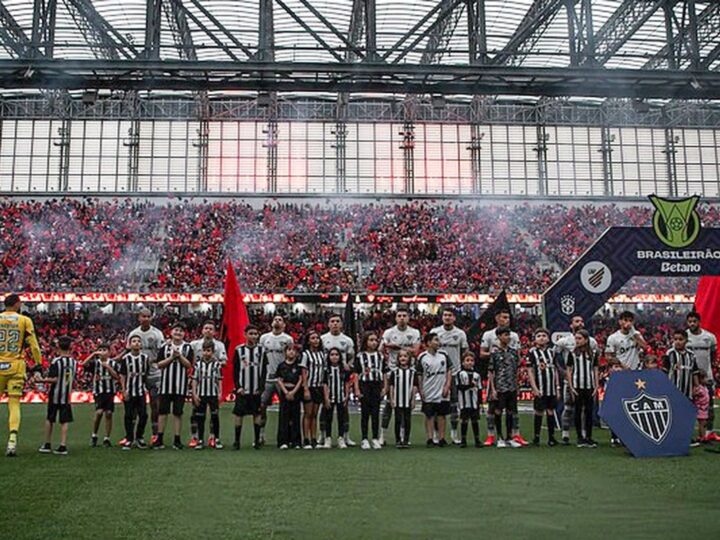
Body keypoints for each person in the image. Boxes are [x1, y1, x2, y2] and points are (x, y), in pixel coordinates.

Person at [0, 293, 42, 457]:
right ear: (17, 304)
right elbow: (34, 346)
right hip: (16, 367)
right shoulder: (24, 320)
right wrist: (38, 364)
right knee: (14, 403)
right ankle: (12, 440)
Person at [479, 309, 527, 447]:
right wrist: (494, 353)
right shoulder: (488, 334)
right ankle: (492, 436)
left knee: (512, 410)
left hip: (510, 381)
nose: (507, 320)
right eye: (504, 317)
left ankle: (514, 435)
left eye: (508, 317)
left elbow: (517, 358)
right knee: (494, 409)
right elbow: (482, 354)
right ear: (497, 318)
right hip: (497, 381)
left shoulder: (515, 336)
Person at [552, 314, 598, 445]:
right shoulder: (564, 341)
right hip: (571, 381)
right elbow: (554, 355)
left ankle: (585, 435)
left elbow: (595, 363)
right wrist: (563, 372)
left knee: (586, 410)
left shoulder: (592, 342)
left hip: (587, 382)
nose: (580, 323)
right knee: (568, 408)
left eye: (582, 321)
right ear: (571, 325)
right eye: (577, 321)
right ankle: (565, 434)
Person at [380, 308, 421, 445]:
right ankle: (382, 435)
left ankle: (404, 437)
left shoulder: (414, 332)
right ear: (395, 318)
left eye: (404, 315)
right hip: (393, 371)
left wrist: (397, 347)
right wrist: (388, 350)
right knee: (389, 405)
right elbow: (382, 348)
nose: (402, 318)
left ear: (408, 318)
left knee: (406, 405)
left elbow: (415, 351)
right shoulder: (389, 332)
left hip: (409, 372)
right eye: (399, 316)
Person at [431, 307, 469, 445]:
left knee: (454, 404)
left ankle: (454, 433)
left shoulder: (460, 334)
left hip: (455, 373)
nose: (447, 317)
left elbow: (465, 352)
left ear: (454, 318)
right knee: (437, 404)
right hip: (438, 374)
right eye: (445, 315)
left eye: (450, 315)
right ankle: (436, 434)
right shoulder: (435, 332)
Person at [127, 309, 165, 444]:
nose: (146, 318)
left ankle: (155, 434)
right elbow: (128, 352)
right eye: (144, 316)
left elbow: (162, 352)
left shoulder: (157, 334)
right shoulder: (134, 334)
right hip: (137, 374)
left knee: (155, 403)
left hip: (154, 372)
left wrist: (154, 362)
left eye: (149, 316)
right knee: (135, 406)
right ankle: (131, 436)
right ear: (139, 318)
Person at [153, 323, 194, 450]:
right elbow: (159, 364)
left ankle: (177, 439)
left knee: (178, 413)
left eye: (181, 331)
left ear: (184, 334)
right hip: (165, 385)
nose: (178, 333)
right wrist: (171, 357)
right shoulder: (164, 347)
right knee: (162, 412)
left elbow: (189, 365)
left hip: (180, 386)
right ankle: (159, 438)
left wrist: (179, 356)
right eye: (176, 330)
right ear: (171, 332)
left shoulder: (187, 348)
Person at [189, 320, 227, 448]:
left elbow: (224, 362)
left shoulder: (220, 345)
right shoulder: (194, 344)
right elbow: (189, 359)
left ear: (214, 331)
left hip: (212, 387)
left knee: (214, 415)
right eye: (206, 328)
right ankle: (196, 437)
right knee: (196, 413)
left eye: (211, 328)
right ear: (202, 330)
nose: (208, 330)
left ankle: (213, 437)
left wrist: (214, 361)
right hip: (199, 384)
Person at [36, 336, 76, 456]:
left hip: (55, 394)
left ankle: (47, 444)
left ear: (58, 347)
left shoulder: (56, 361)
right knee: (64, 421)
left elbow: (54, 379)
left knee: (50, 419)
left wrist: (41, 380)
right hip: (66, 395)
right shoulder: (74, 362)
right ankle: (63, 445)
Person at [321, 314, 356, 447]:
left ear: (341, 324)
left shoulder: (347, 340)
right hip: (326, 375)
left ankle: (345, 436)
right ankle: (324, 435)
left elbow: (352, 356)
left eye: (337, 321)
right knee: (325, 409)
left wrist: (349, 365)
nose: (335, 323)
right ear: (328, 324)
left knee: (344, 409)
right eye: (332, 321)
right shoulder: (323, 339)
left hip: (341, 376)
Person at [259, 315, 294, 445]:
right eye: (275, 319)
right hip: (268, 378)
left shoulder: (288, 339)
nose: (277, 321)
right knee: (261, 406)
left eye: (280, 320)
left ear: (284, 325)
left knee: (286, 408)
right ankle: (261, 435)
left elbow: (291, 357)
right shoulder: (264, 338)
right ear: (271, 323)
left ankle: (286, 436)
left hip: (282, 379)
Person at [232, 325, 266, 450]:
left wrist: (261, 388)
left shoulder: (262, 351)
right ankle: (237, 441)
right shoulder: (239, 350)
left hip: (256, 389)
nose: (253, 336)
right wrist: (238, 387)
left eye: (255, 334)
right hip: (243, 390)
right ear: (245, 334)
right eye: (250, 333)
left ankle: (256, 441)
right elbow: (235, 371)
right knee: (239, 414)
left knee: (256, 414)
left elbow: (264, 370)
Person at [686, 311, 718, 440]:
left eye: (694, 321)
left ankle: (709, 432)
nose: (692, 324)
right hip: (689, 379)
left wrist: (706, 370)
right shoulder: (684, 337)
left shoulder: (709, 337)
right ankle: (687, 432)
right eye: (690, 321)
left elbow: (713, 355)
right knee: (687, 406)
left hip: (707, 378)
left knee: (708, 406)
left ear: (699, 322)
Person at [488, 327, 522, 449]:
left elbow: (516, 370)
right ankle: (500, 437)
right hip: (500, 386)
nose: (508, 337)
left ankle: (509, 437)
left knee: (510, 412)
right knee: (498, 411)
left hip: (511, 386)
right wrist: (493, 389)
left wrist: (517, 385)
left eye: (509, 335)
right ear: (499, 337)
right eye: (505, 335)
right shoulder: (495, 353)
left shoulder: (513, 352)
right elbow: (491, 372)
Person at [566, 330, 599, 448]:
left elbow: (595, 370)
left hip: (589, 386)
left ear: (586, 339)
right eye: (576, 338)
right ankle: (580, 437)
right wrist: (571, 387)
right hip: (577, 386)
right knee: (578, 411)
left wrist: (596, 385)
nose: (577, 341)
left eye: (579, 338)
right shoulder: (573, 353)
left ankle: (589, 437)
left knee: (589, 412)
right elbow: (569, 370)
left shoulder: (593, 353)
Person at [82, 343, 120, 448]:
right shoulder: (95, 363)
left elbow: (117, 377)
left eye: (105, 350)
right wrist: (93, 353)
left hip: (110, 392)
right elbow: (84, 364)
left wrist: (108, 368)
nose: (102, 352)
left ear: (109, 352)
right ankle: (94, 435)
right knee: (99, 413)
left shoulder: (113, 363)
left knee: (108, 413)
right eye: (100, 350)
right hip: (99, 391)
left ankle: (107, 438)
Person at [527, 328, 560, 447]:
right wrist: (534, 388)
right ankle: (536, 437)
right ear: (535, 339)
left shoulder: (552, 352)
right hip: (540, 387)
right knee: (539, 411)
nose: (541, 337)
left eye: (544, 335)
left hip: (551, 388)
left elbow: (555, 370)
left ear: (548, 338)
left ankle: (551, 438)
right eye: (539, 335)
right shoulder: (532, 353)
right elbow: (530, 371)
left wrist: (557, 387)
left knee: (550, 411)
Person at [417, 333, 451, 448]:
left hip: (442, 390)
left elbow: (449, 370)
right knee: (429, 415)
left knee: (442, 415)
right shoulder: (422, 357)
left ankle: (441, 438)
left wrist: (447, 385)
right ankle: (430, 438)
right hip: (428, 389)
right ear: (428, 343)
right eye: (436, 340)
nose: (438, 342)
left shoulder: (444, 355)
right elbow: (419, 375)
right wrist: (421, 390)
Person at [354, 332, 386, 450]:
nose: (374, 342)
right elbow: (356, 374)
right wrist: (357, 389)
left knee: (376, 413)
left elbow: (384, 373)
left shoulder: (380, 356)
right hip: (364, 385)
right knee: (365, 413)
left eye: (375, 340)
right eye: (371, 340)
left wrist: (384, 388)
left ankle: (375, 438)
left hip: (376, 385)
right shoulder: (360, 356)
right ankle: (364, 438)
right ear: (365, 342)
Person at [118, 335, 149, 450]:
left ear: (141, 344)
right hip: (129, 392)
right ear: (130, 344)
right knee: (128, 416)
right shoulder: (126, 359)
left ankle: (139, 437)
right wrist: (124, 390)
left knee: (144, 415)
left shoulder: (145, 358)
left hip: (141, 392)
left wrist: (145, 387)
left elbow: (146, 374)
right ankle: (129, 438)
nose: (136, 343)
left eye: (138, 341)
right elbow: (122, 375)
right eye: (134, 341)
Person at [300, 330, 325, 449]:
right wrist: (305, 388)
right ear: (308, 341)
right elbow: (303, 372)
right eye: (313, 338)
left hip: (319, 386)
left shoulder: (322, 354)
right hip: (309, 386)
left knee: (315, 414)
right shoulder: (305, 354)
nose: (316, 340)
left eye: (317, 338)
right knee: (307, 413)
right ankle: (306, 439)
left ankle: (314, 438)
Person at [388, 350, 417, 448]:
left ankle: (406, 440)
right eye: (400, 356)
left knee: (407, 420)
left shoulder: (412, 373)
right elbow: (391, 386)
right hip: (398, 400)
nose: (403, 358)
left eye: (405, 356)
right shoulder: (395, 372)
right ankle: (398, 440)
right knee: (398, 420)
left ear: (409, 359)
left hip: (407, 400)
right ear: (398, 359)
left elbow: (414, 387)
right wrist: (391, 399)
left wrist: (413, 399)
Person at [322, 348, 351, 449]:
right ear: (329, 357)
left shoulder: (344, 369)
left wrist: (347, 395)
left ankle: (341, 438)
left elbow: (347, 383)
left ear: (340, 357)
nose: (334, 357)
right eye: (332, 355)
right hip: (330, 397)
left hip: (341, 397)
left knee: (341, 418)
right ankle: (328, 438)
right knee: (328, 418)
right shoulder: (326, 370)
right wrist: (326, 397)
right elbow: (325, 384)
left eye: (336, 355)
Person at [276, 346, 303, 449]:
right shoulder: (281, 366)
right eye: (289, 350)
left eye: (294, 350)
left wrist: (293, 392)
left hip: (296, 392)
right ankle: (283, 441)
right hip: (285, 392)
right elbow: (279, 379)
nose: (291, 352)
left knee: (295, 416)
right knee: (284, 416)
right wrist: (286, 392)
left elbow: (301, 380)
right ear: (285, 352)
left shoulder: (299, 366)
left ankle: (296, 441)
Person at [455, 351, 482, 448]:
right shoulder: (460, 374)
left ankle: (477, 440)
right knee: (464, 421)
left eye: (471, 360)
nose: (469, 362)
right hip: (464, 403)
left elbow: (479, 389)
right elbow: (459, 387)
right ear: (462, 362)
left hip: (474, 403)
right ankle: (463, 440)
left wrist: (480, 403)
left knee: (475, 421)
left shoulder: (477, 375)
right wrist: (470, 385)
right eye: (467, 360)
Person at [663, 329, 698, 401]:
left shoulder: (691, 355)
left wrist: (697, 386)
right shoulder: (669, 353)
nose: (678, 342)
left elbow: (695, 372)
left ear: (686, 340)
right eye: (675, 339)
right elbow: (665, 371)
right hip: (672, 390)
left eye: (680, 339)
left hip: (687, 391)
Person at [605, 358, 625, 447]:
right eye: (615, 367)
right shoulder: (606, 379)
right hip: (612, 402)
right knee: (614, 421)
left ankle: (623, 438)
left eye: (619, 366)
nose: (618, 369)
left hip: (621, 401)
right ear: (609, 368)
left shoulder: (623, 378)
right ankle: (614, 438)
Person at [693, 371, 710, 445]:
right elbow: (693, 394)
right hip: (700, 409)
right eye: (705, 378)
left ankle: (702, 436)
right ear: (700, 379)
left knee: (704, 423)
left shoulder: (705, 387)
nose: (707, 380)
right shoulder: (699, 388)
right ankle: (701, 437)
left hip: (705, 408)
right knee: (702, 423)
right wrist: (696, 393)